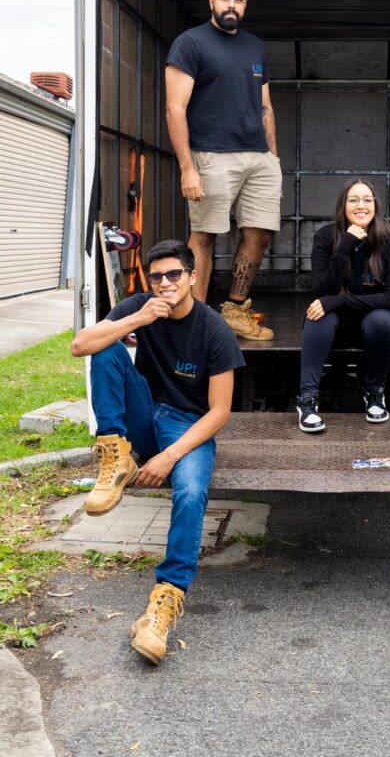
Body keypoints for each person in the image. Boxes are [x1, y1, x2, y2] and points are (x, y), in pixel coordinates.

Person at [71, 239, 244, 665]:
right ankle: (115, 456)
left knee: (191, 491)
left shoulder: (214, 330)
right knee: (105, 347)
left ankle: (163, 605)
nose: (165, 283)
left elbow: (220, 412)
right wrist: (137, 317)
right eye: (157, 277)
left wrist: (168, 457)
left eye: (174, 275)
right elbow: (80, 345)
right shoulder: (142, 306)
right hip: (145, 414)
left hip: (188, 426)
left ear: (192, 277)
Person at [165, 0, 281, 341]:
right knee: (204, 236)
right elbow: (175, 108)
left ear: (245, 4)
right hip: (212, 155)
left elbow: (265, 106)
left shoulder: (255, 47)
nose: (232, 5)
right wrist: (187, 168)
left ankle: (234, 309)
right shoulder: (191, 43)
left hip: (258, 158)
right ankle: (195, 322)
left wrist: (274, 157)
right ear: (212, 1)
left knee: (260, 233)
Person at [296, 179, 390, 434]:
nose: (361, 206)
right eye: (354, 200)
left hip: (374, 326)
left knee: (384, 320)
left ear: (375, 205)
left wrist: (339, 300)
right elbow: (322, 290)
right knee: (317, 314)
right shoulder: (326, 236)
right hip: (336, 326)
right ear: (343, 205)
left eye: (367, 200)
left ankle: (375, 392)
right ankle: (307, 400)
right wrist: (344, 246)